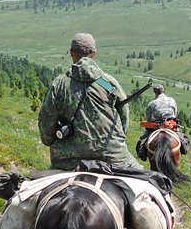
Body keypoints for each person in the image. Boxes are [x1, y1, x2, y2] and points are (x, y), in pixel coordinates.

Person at [38, 33, 139, 171]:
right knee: (149, 185)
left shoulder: (60, 84)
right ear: (94, 53)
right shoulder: (106, 83)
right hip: (113, 159)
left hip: (67, 162)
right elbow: (124, 117)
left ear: (71, 52)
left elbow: (46, 130)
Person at [136, 82, 189, 159]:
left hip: (156, 126)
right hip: (170, 125)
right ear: (164, 90)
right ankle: (184, 149)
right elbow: (175, 113)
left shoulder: (152, 103)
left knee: (143, 140)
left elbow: (148, 118)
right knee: (181, 137)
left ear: (155, 92)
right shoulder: (172, 100)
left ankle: (142, 155)